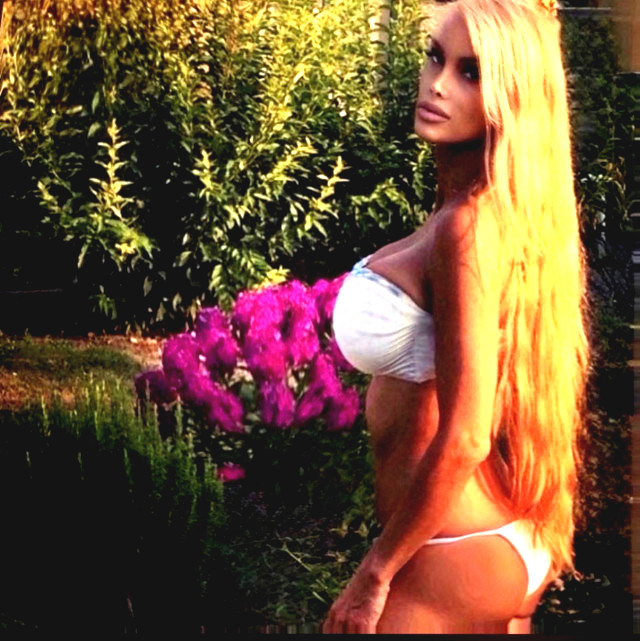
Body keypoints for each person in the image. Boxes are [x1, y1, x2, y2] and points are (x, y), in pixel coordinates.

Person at [325, 0, 589, 633]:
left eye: (471, 72)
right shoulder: (480, 213)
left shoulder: (466, 228)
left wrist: (373, 575)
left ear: (511, 98)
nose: (438, 84)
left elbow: (468, 433)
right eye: (435, 58)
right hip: (486, 535)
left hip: (448, 552)